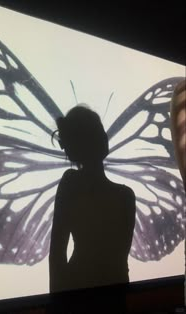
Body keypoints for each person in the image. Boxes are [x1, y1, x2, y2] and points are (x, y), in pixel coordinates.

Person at [49, 105, 136, 309]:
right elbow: (119, 261)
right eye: (99, 131)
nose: (105, 136)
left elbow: (57, 253)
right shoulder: (125, 196)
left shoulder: (71, 183)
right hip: (103, 297)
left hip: (79, 292)